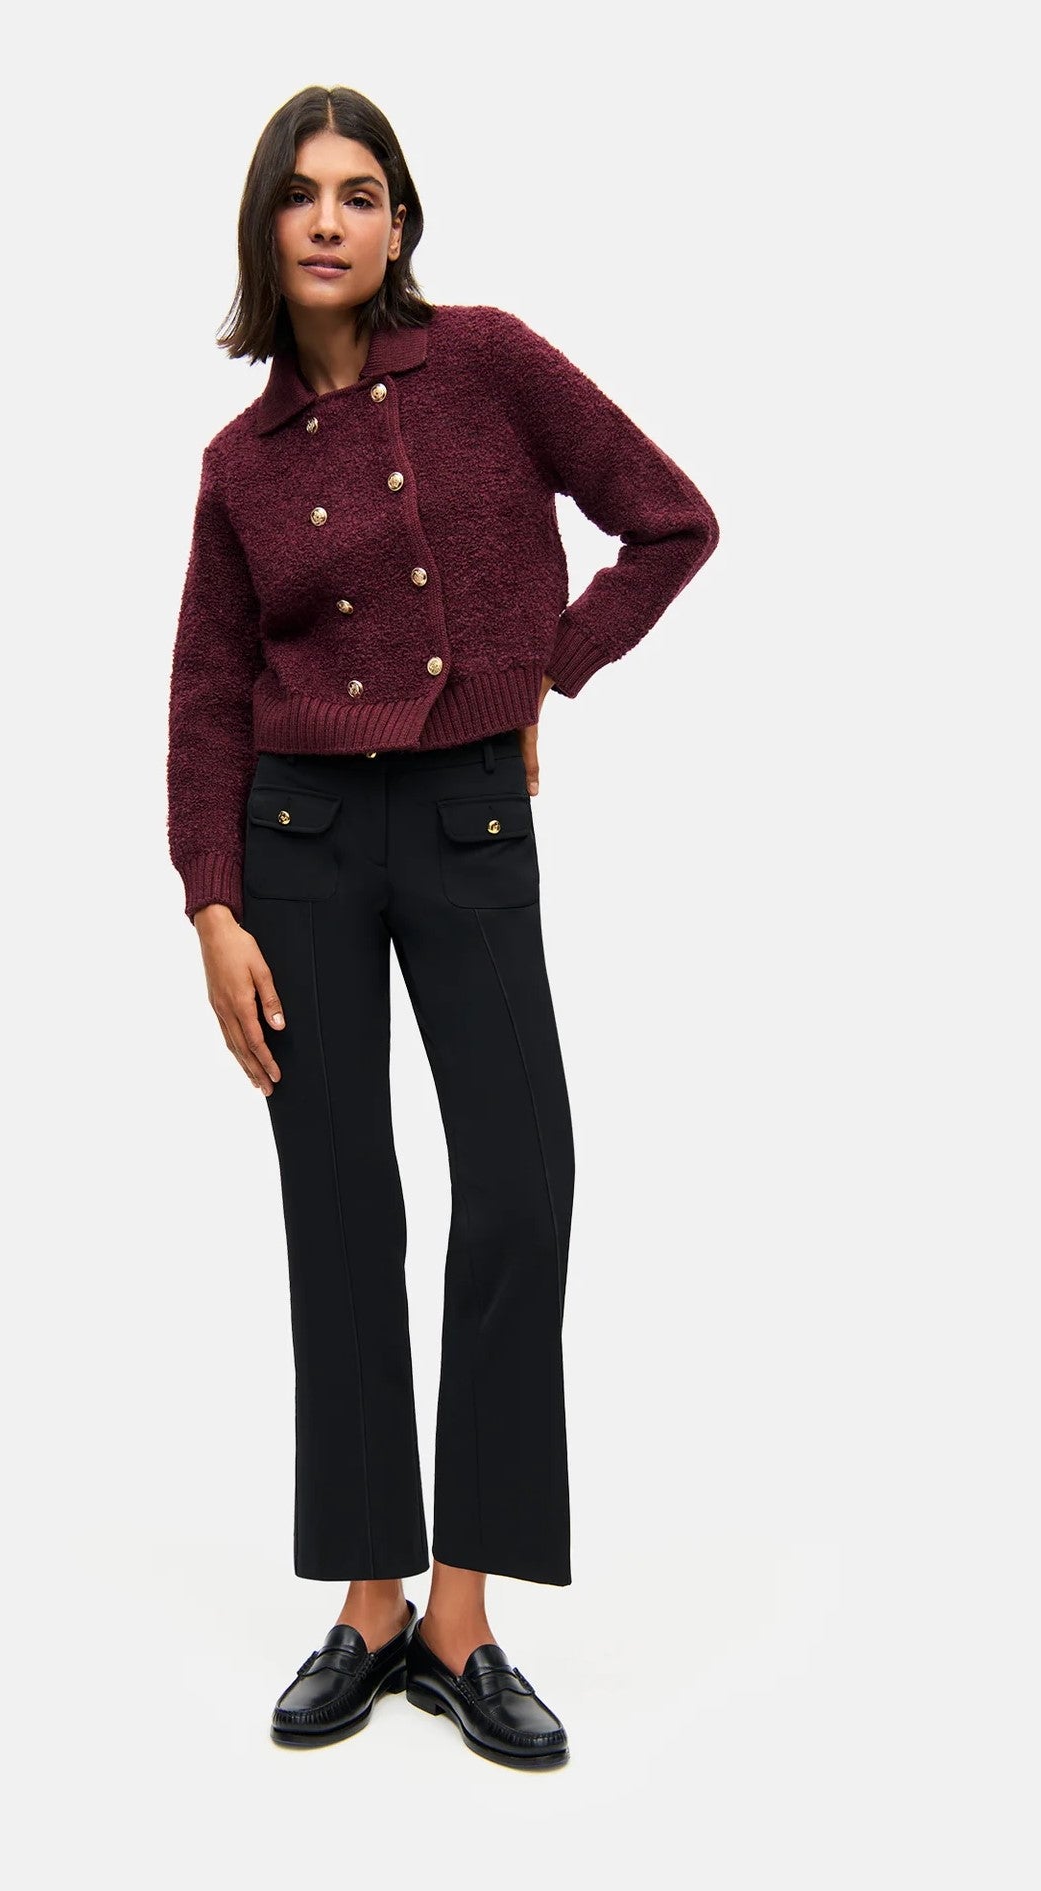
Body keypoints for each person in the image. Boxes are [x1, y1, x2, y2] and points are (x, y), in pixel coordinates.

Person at [166, 84, 719, 1771]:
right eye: (300, 194)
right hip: (300, 842)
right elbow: (205, 693)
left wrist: (544, 669)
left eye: (361, 192)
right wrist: (210, 903)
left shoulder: (485, 361)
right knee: (338, 1209)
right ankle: (368, 1599)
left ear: (400, 220)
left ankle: (462, 1616)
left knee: (521, 1182)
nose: (330, 219)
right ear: (267, 228)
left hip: (471, 816)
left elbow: (669, 519)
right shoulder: (239, 462)